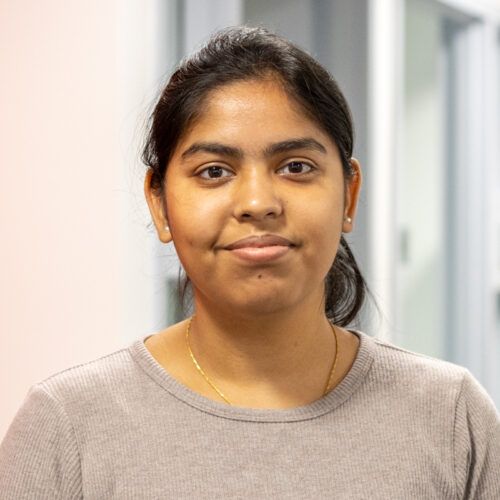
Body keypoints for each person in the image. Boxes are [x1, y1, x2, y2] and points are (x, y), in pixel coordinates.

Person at [0, 25, 499, 499]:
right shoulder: (67, 425)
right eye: (214, 171)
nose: (258, 202)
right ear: (160, 204)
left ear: (349, 195)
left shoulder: (452, 417)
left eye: (296, 167)